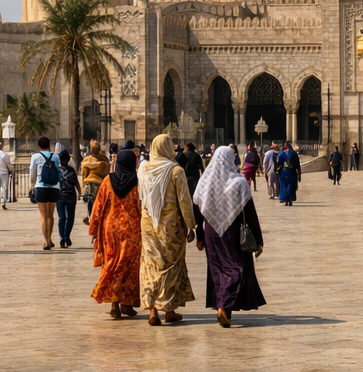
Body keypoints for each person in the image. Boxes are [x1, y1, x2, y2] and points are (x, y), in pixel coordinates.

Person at [193, 145, 267, 328]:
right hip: (233, 232)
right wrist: (258, 240)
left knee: (218, 269)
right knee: (237, 268)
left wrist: (200, 235)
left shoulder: (205, 182)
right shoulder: (239, 183)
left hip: (212, 232)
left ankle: (223, 306)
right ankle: (224, 307)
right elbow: (250, 213)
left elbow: (197, 210)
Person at [138, 134, 196, 325]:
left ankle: (152, 311)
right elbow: (184, 201)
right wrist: (191, 225)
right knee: (170, 266)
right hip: (170, 226)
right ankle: (169, 310)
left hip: (148, 223)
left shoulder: (144, 168)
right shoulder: (175, 171)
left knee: (150, 265)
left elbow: (142, 196)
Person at [89, 145, 142, 318]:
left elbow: (97, 207)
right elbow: (141, 207)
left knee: (111, 263)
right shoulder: (137, 182)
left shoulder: (107, 181)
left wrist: (94, 227)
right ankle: (126, 303)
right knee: (129, 267)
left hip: (110, 230)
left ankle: (115, 305)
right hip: (132, 232)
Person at [28, 135, 62, 249]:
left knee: (43, 215)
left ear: (38, 146)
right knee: (50, 215)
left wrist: (31, 186)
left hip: (40, 186)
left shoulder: (35, 156)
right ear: (49, 145)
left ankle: (46, 241)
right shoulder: (56, 157)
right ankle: (50, 238)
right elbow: (59, 171)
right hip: (54, 187)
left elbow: (32, 172)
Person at [80, 139, 110, 225]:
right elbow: (107, 172)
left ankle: (90, 217)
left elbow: (84, 173)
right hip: (101, 183)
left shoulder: (87, 160)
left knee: (90, 201)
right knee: (99, 202)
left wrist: (83, 184)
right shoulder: (105, 160)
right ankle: (99, 217)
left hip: (90, 183)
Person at [57, 146, 80, 248]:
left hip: (60, 196)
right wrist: (79, 192)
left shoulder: (57, 170)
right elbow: (76, 183)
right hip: (70, 196)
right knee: (69, 218)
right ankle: (66, 236)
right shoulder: (71, 170)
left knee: (62, 217)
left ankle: (63, 237)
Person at [276, 141, 300, 205]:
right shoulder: (294, 153)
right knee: (291, 186)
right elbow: (297, 164)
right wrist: (299, 174)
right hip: (292, 171)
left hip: (283, 172)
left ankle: (285, 200)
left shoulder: (281, 154)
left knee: (283, 186)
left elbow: (278, 164)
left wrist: (277, 171)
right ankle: (290, 200)